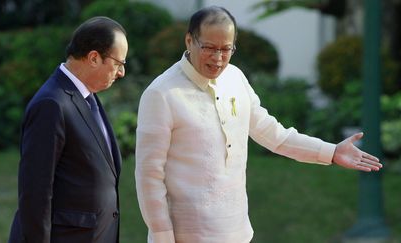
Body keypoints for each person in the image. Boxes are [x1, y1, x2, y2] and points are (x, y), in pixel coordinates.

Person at [135, 6, 382, 243]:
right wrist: (162, 236)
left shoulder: (235, 77)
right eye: (209, 48)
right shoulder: (161, 93)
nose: (218, 58)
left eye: (226, 49)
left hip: (238, 232)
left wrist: (332, 152)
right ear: (189, 41)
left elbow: (274, 135)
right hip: (186, 236)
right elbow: (149, 176)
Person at [8, 16, 127, 243]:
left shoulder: (88, 97)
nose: (121, 73)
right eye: (118, 63)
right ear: (93, 58)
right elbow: (35, 194)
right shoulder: (51, 104)